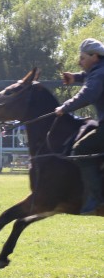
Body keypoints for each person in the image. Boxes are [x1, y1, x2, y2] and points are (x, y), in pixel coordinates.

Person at [55, 38, 104, 214]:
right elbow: (89, 76)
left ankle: (97, 200)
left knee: (82, 148)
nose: (79, 62)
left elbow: (88, 94)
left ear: (95, 57)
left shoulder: (99, 73)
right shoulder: (99, 69)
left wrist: (64, 107)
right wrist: (75, 77)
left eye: (82, 58)